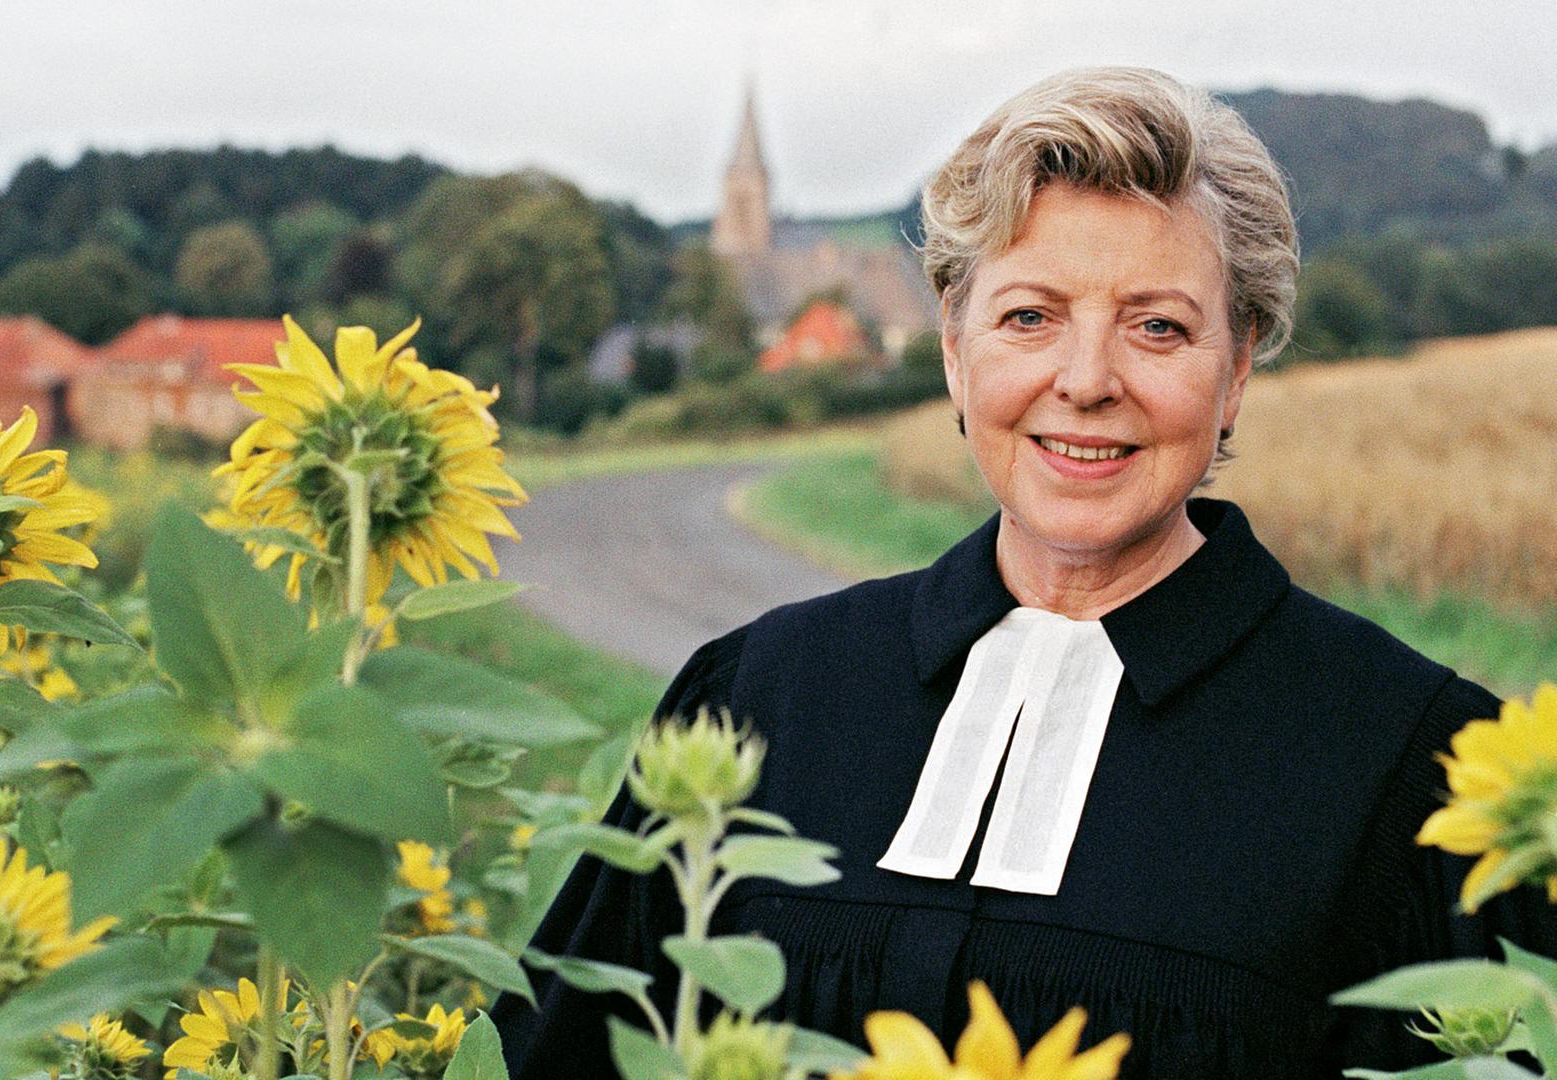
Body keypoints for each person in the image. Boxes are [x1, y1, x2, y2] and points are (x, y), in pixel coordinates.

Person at [490, 66, 1555, 1078]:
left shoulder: (1413, 767)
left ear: (1236, 369)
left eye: (1157, 327)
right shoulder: (760, 695)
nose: (1086, 381)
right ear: (956, 352)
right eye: (1029, 317)